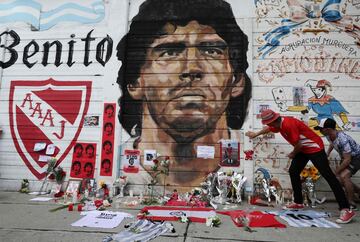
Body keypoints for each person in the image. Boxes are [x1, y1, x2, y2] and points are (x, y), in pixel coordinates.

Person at [116, 0, 251, 189]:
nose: (191, 68)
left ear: (236, 81)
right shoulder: (117, 166)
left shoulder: (251, 161)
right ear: (135, 82)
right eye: (169, 52)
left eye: (212, 51)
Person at [245, 109, 355, 224]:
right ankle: (298, 202)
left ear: (273, 121)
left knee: (329, 176)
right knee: (293, 171)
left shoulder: (288, 125)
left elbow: (298, 145)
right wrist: (255, 134)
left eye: (268, 123)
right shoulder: (279, 124)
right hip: (303, 149)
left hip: (314, 148)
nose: (267, 125)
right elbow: (269, 129)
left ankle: (346, 209)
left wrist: (292, 154)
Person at [315, 118, 360, 210]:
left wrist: (336, 171)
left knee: (344, 176)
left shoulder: (342, 139)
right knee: (339, 179)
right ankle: (358, 192)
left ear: (327, 129)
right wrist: (326, 155)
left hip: (356, 157)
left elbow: (347, 160)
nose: (320, 131)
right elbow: (332, 144)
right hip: (347, 157)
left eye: (320, 129)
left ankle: (351, 203)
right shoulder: (329, 135)